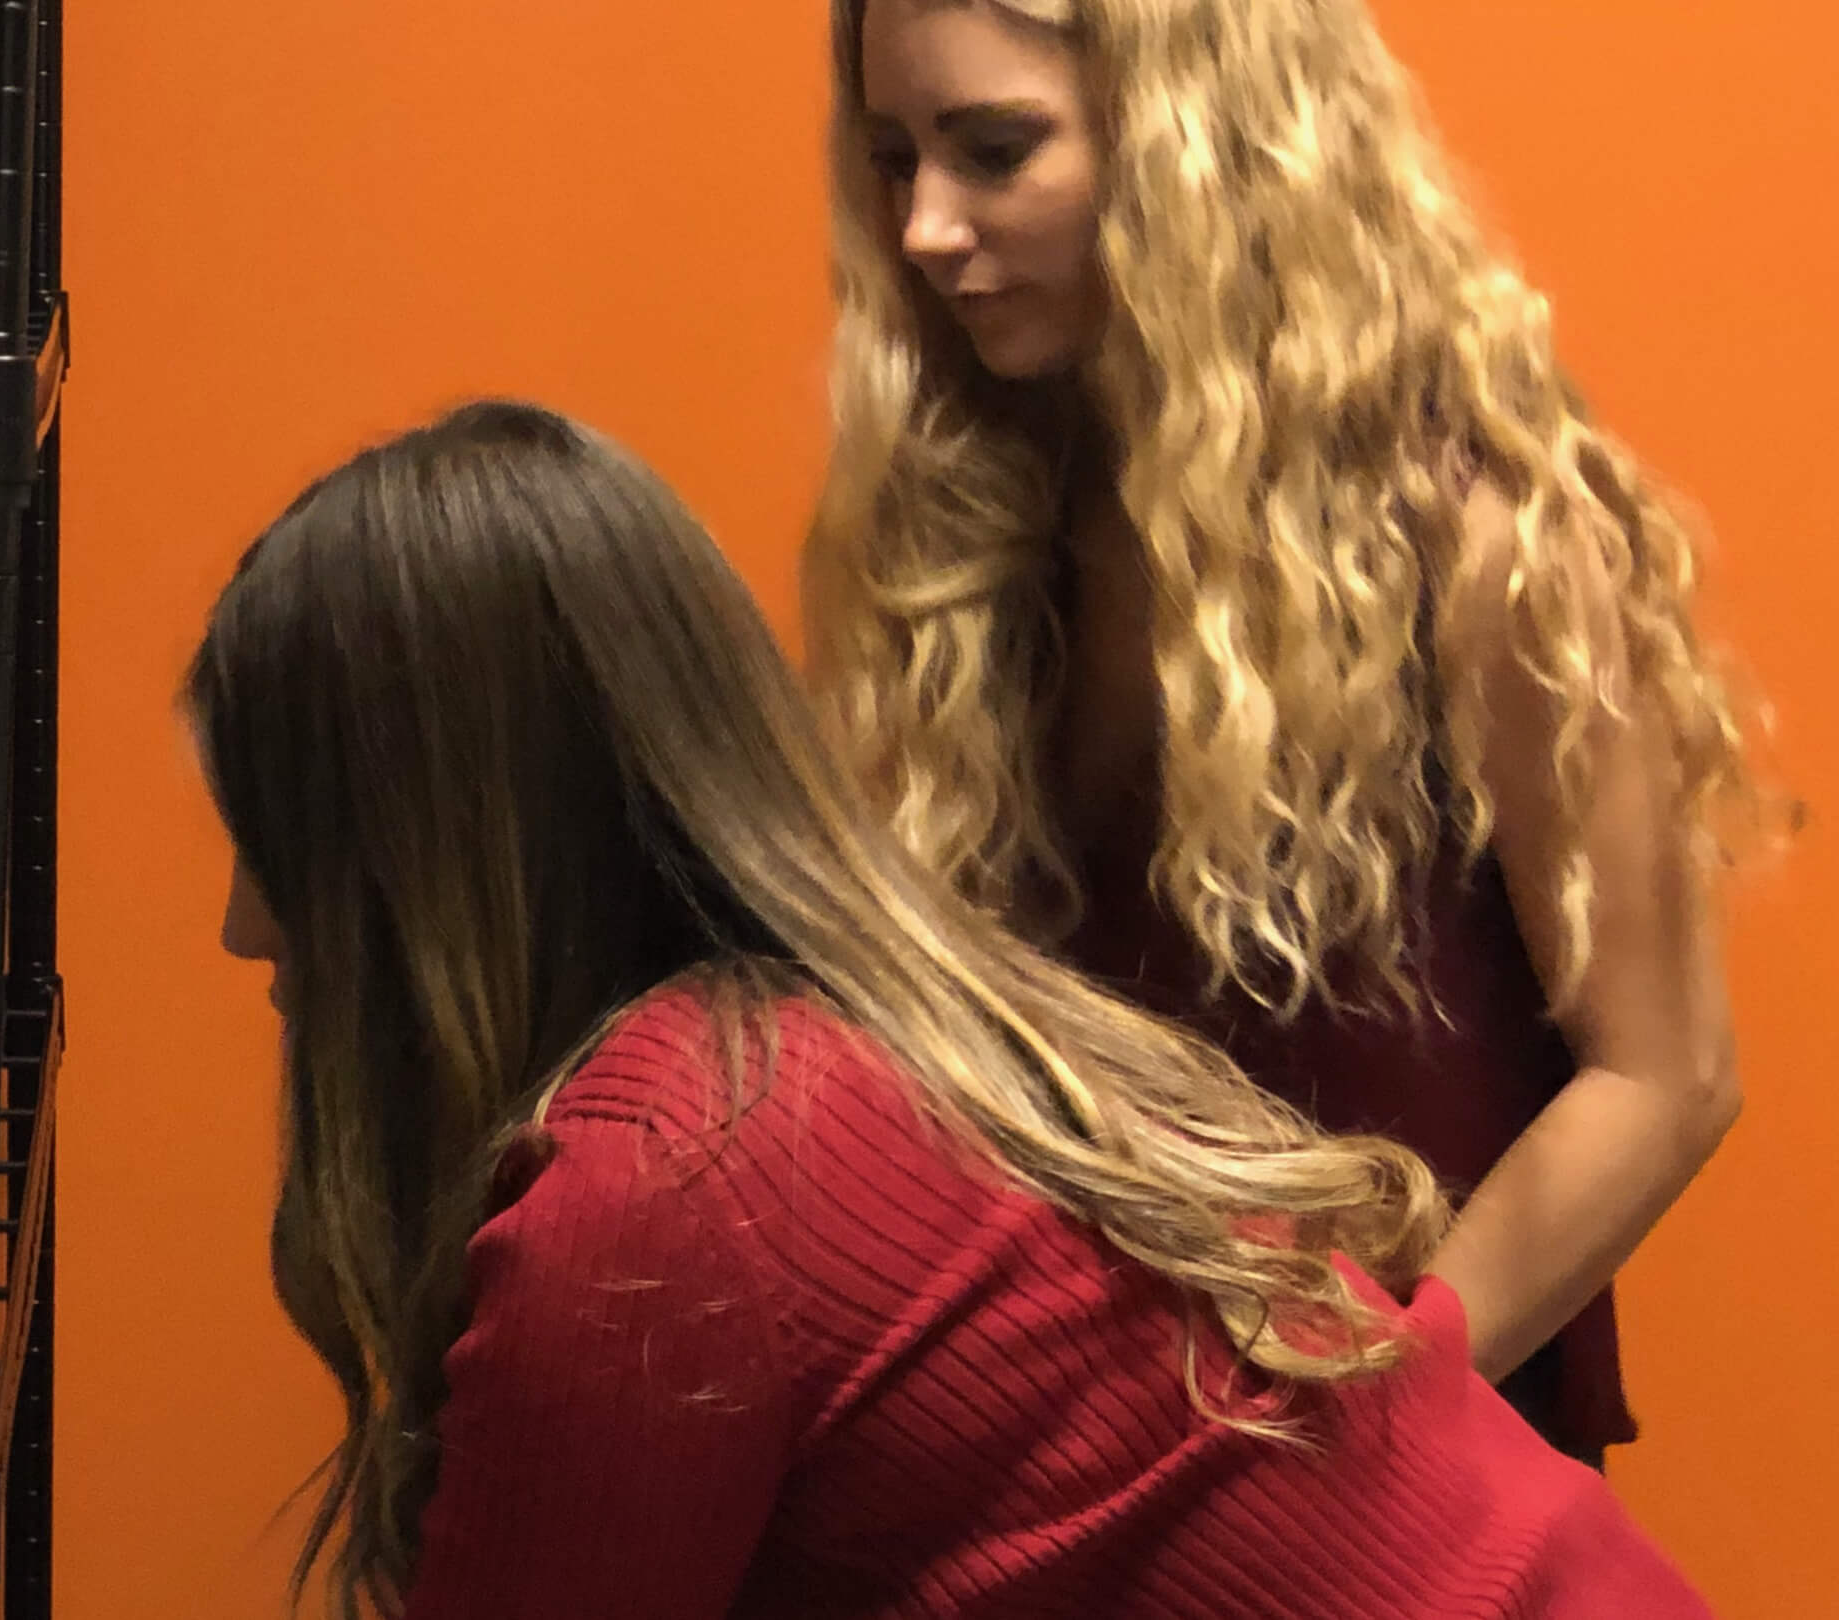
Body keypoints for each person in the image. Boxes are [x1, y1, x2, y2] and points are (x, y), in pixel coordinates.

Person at [189, 401, 1707, 1620]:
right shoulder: (855, 1044)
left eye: (276, 841)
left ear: (435, 857)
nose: (244, 926)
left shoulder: (660, 1191)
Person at [804, 0, 1755, 1467]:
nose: (927, 227)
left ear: (1193, 146)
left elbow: (1665, 1076)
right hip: (1081, 1484)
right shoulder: (982, 533)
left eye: (995, 152)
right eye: (891, 157)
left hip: (1410, 1490)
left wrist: (1359, 1391)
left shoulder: (1484, 540)